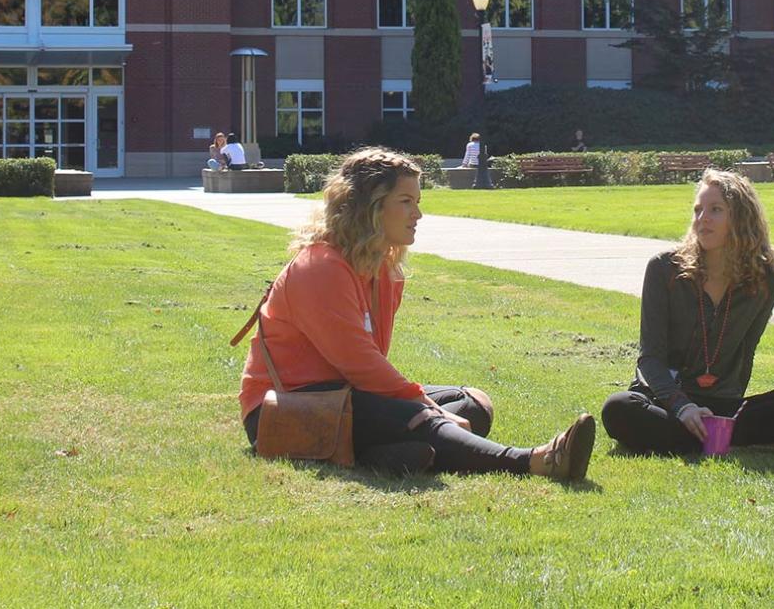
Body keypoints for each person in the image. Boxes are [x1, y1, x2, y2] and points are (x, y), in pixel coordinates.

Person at [240, 147, 596, 479]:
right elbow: (361, 364)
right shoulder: (320, 267)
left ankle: (388, 454)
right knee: (421, 415)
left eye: (418, 201)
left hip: (346, 396)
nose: (418, 214)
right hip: (285, 409)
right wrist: (424, 406)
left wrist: (423, 406)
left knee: (472, 405)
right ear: (372, 207)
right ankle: (535, 460)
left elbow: (368, 366)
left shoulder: (381, 268)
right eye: (406, 201)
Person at [602, 169, 774, 455]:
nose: (703, 219)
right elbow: (650, 359)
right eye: (698, 210)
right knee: (618, 409)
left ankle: (709, 434)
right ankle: (726, 439)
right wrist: (683, 406)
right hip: (665, 399)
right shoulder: (664, 269)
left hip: (722, 404)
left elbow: (745, 354)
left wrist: (726, 408)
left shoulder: (765, 281)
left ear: (741, 218)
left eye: (715, 210)